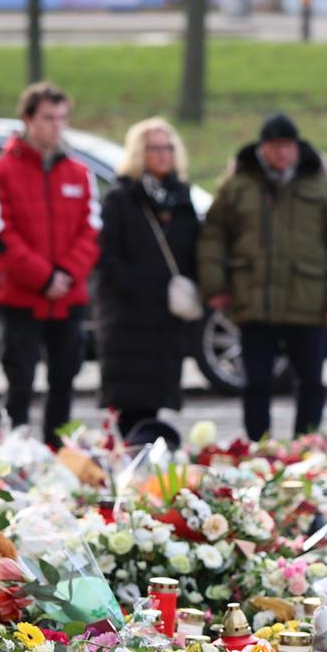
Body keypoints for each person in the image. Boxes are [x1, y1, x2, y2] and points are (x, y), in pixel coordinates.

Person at [198, 112, 327, 442]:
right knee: (256, 382)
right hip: (255, 302)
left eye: (288, 146)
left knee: (311, 381)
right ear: (263, 148)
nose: (282, 153)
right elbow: (213, 237)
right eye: (275, 146)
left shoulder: (321, 185)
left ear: (297, 147)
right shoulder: (238, 185)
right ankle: (259, 447)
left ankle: (306, 444)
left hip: (308, 303)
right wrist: (215, 286)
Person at [0, 81, 101, 448]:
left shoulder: (80, 173)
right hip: (20, 297)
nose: (56, 125)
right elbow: (0, 235)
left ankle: (56, 452)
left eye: (62, 118)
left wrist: (66, 275)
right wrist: (44, 278)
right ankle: (15, 451)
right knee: (20, 380)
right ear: (27, 119)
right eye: (48, 118)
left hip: (68, 298)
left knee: (64, 380)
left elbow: (92, 230)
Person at [94, 117, 200, 441]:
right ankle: (131, 460)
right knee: (129, 401)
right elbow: (106, 255)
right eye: (155, 147)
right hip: (129, 317)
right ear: (139, 152)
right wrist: (135, 288)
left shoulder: (181, 197)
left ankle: (148, 458)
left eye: (168, 147)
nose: (163, 154)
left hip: (165, 318)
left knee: (155, 399)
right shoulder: (120, 197)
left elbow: (193, 248)